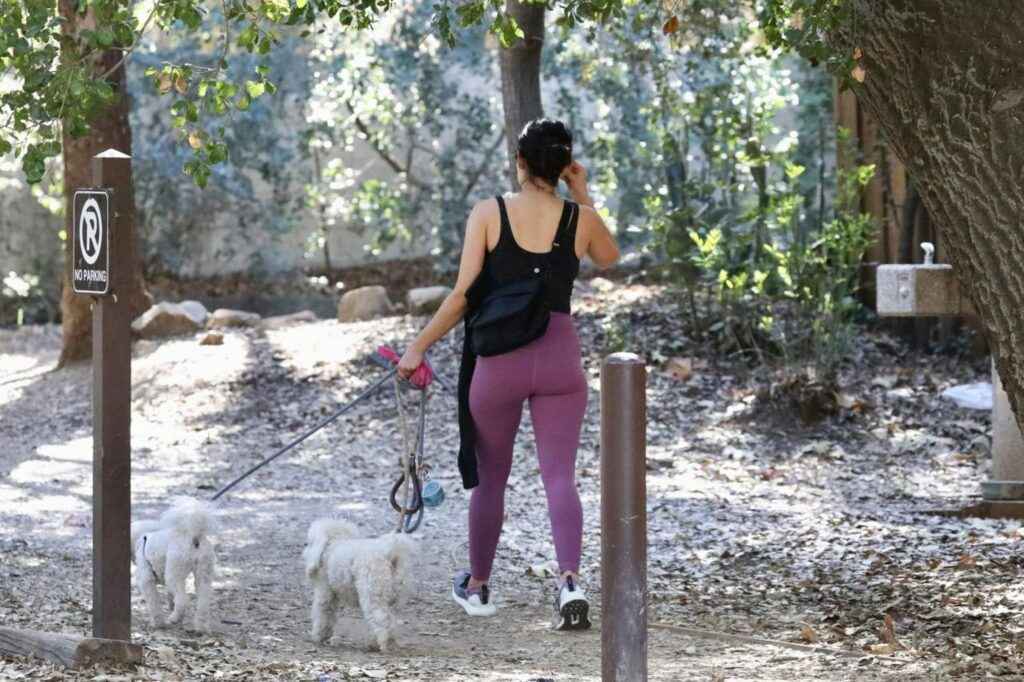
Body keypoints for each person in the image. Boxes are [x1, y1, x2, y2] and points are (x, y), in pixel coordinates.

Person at [397, 118, 619, 630]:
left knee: (491, 480)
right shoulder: (580, 218)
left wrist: (417, 348)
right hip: (560, 359)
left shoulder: (489, 212)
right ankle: (569, 583)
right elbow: (609, 258)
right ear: (563, 165)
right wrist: (581, 193)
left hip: (498, 362)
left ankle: (477, 586)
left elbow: (461, 297)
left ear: (519, 161)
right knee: (559, 476)